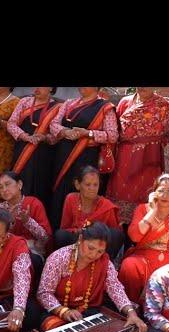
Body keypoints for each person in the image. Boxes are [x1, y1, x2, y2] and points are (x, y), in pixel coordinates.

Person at [37, 221, 146, 332]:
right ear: (80, 239)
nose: (94, 255)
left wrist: (131, 313)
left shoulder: (104, 261)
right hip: (57, 310)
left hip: (88, 310)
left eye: (100, 251)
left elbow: (115, 288)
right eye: (90, 248)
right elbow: (44, 293)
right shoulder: (58, 258)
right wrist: (64, 311)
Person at [48, 87, 118, 229]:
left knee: (83, 193)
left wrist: (88, 133)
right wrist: (65, 131)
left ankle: (83, 234)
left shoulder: (105, 108)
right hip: (64, 156)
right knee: (61, 193)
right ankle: (58, 235)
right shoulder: (69, 103)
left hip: (87, 158)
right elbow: (53, 124)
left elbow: (112, 135)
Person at [105, 87, 169, 225]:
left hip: (150, 160)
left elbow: (167, 136)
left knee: (146, 200)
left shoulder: (164, 105)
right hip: (124, 159)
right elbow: (116, 131)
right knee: (120, 197)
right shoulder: (125, 102)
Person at [118, 173, 169, 303]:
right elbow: (134, 236)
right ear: (154, 193)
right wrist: (152, 211)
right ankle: (130, 306)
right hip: (143, 255)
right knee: (129, 265)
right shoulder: (142, 209)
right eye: (161, 190)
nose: (165, 195)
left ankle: (159, 311)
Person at [7, 87, 60, 210]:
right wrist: (24, 136)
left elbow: (57, 135)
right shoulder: (25, 102)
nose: (36, 89)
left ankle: (37, 218)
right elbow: (11, 123)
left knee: (40, 185)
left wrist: (45, 137)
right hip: (22, 149)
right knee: (20, 181)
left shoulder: (58, 107)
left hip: (43, 154)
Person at [55, 166, 123, 261]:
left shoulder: (106, 205)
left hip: (98, 244)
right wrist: (78, 231)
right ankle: (67, 262)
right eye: (88, 184)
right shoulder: (71, 199)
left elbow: (114, 234)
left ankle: (104, 263)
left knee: (116, 234)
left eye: (95, 185)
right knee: (60, 235)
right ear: (78, 185)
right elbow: (65, 228)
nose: (92, 188)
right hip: (78, 240)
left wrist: (95, 234)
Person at [0, 171, 51, 280]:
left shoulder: (34, 203)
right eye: (1, 187)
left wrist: (27, 221)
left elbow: (44, 237)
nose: (4, 189)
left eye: (7, 184)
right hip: (7, 251)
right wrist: (10, 223)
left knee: (31, 260)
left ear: (19, 184)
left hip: (32, 250)